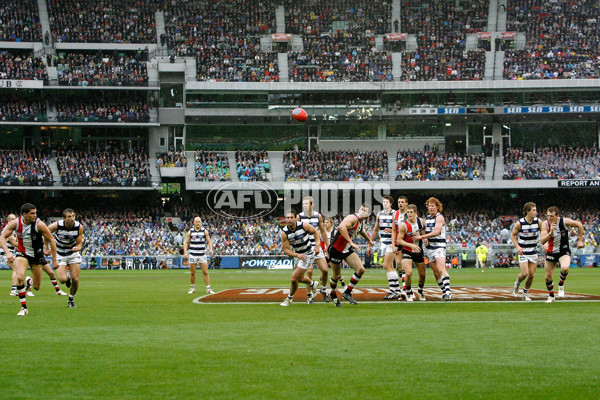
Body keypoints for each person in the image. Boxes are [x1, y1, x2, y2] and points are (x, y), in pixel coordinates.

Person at [0, 203, 59, 316]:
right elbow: (2, 236)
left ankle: (29, 282)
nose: (35, 215)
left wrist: (54, 259)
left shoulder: (39, 225)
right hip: (22, 253)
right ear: (24, 214)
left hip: (37, 256)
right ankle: (24, 308)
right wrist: (7, 253)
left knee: (36, 287)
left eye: (35, 213)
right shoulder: (16, 223)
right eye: (32, 213)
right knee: (19, 276)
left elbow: (51, 239)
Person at [327, 204, 374, 306]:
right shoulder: (352, 218)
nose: (362, 212)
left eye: (365, 211)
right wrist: (351, 242)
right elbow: (341, 227)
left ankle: (347, 292)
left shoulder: (361, 222)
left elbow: (361, 231)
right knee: (337, 275)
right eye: (361, 209)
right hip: (336, 249)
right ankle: (333, 293)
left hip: (346, 248)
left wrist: (369, 240)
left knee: (361, 269)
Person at [540, 206, 584, 303]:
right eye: (548, 216)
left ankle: (561, 285)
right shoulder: (545, 224)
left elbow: (579, 224)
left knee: (565, 268)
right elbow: (542, 240)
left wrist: (580, 240)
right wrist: (550, 233)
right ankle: (551, 296)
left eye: (551, 216)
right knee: (548, 277)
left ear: (557, 216)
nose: (549, 218)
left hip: (563, 251)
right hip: (551, 252)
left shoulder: (564, 221)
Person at [414, 197, 452, 301]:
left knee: (441, 268)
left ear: (437, 207)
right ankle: (444, 291)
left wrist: (423, 237)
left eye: (432, 206)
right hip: (429, 248)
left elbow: (437, 232)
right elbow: (423, 230)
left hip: (439, 246)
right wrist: (424, 237)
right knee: (435, 272)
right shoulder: (427, 218)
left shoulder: (439, 217)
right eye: (429, 206)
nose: (431, 208)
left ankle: (448, 292)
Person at [280, 211, 321, 306]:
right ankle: (312, 284)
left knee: (294, 278)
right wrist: (296, 255)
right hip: (298, 255)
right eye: (287, 217)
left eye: (291, 217)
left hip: (307, 254)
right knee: (300, 278)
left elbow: (315, 232)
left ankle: (289, 298)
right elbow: (286, 250)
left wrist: (317, 245)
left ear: (295, 218)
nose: (289, 219)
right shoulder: (285, 232)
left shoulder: (303, 225)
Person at [46, 208, 84, 308]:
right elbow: (45, 233)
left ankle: (71, 299)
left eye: (73, 216)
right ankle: (67, 276)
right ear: (64, 218)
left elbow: (80, 242)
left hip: (72, 254)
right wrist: (46, 247)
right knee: (62, 280)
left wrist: (78, 247)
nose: (72, 219)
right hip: (60, 253)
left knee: (75, 279)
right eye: (69, 217)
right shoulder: (56, 225)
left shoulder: (79, 227)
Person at [368, 195, 401, 299]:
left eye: (386, 202)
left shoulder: (394, 213)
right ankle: (397, 289)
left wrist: (393, 231)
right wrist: (370, 242)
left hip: (392, 242)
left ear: (391, 203)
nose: (384, 203)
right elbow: (375, 229)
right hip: (383, 242)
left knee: (386, 265)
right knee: (389, 267)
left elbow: (400, 228)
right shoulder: (379, 214)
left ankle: (392, 290)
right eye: (383, 202)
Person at [298, 196, 330, 303]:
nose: (305, 206)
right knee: (310, 271)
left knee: (325, 270)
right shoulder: (300, 217)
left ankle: (323, 289)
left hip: (316, 246)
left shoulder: (318, 216)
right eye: (303, 204)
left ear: (312, 205)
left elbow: (323, 231)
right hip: (306, 248)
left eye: (307, 204)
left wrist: (327, 245)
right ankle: (309, 295)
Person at [393, 204, 427, 301]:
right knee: (408, 273)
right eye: (408, 212)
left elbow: (424, 231)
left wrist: (424, 238)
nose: (409, 214)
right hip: (407, 250)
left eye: (411, 212)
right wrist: (411, 245)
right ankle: (408, 292)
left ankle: (420, 292)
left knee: (422, 275)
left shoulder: (421, 222)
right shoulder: (403, 225)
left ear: (415, 213)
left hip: (419, 251)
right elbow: (399, 240)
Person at [511, 202, 543, 301]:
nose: (536, 212)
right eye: (533, 210)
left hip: (533, 251)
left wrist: (544, 242)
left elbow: (543, 233)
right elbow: (513, 235)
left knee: (532, 275)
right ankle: (517, 283)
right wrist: (517, 247)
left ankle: (525, 293)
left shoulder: (538, 222)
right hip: (523, 251)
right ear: (527, 211)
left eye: (536, 210)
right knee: (525, 273)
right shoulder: (520, 223)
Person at [183, 217, 215, 295]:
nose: (198, 223)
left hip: (202, 254)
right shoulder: (190, 231)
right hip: (193, 255)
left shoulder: (205, 231)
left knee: (205, 272)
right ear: (194, 222)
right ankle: (192, 287)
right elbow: (185, 242)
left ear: (201, 223)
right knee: (192, 272)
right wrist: (185, 253)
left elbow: (209, 242)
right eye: (196, 221)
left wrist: (211, 250)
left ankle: (208, 288)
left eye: (199, 222)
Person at [392, 196, 409, 293]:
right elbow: (394, 230)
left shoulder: (410, 213)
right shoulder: (395, 214)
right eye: (399, 202)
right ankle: (405, 286)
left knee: (406, 267)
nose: (400, 204)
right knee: (399, 267)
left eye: (402, 202)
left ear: (406, 203)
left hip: (407, 242)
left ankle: (405, 288)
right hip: (398, 242)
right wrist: (393, 244)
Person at [323, 217, 345, 289]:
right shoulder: (322, 232)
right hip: (324, 254)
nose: (325, 224)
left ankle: (341, 283)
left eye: (327, 222)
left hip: (333, 253)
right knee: (324, 271)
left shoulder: (335, 231)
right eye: (325, 222)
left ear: (331, 223)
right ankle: (324, 288)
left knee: (336, 273)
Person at [2, 213, 20, 296]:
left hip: (9, 252)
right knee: (16, 269)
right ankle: (14, 290)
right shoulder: (9, 229)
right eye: (12, 219)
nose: (14, 220)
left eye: (15, 219)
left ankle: (18, 289)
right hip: (7, 252)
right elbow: (13, 242)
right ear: (8, 220)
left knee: (18, 270)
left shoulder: (11, 228)